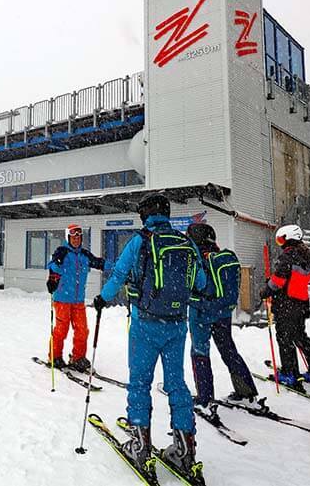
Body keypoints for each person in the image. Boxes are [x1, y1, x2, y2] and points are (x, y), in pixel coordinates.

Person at [92, 193, 206, 478]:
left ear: (146, 215)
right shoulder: (186, 242)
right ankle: (184, 449)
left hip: (145, 323)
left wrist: (102, 299)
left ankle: (140, 447)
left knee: (140, 382)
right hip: (178, 324)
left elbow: (118, 276)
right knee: (177, 384)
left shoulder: (140, 241)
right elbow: (201, 283)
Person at [185, 223, 258, 410]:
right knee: (229, 351)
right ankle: (246, 393)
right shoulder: (222, 258)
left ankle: (205, 398)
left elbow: (196, 285)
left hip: (201, 312)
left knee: (200, 353)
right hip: (223, 313)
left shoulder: (196, 259)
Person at [260, 224, 310, 391]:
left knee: (284, 339)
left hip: (287, 304)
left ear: (289, 237)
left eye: (281, 239)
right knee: (300, 337)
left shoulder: (288, 255)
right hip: (300, 304)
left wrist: (265, 290)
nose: (280, 243)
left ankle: (290, 374)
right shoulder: (306, 254)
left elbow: (279, 280)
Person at [46, 223, 105, 373]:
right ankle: (55, 356)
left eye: (79, 237)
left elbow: (99, 263)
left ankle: (78, 358)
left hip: (78, 300)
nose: (76, 240)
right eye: (73, 237)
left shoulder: (85, 255)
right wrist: (55, 271)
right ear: (68, 238)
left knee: (82, 330)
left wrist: (119, 268)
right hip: (62, 299)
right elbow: (52, 266)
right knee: (61, 330)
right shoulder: (62, 252)